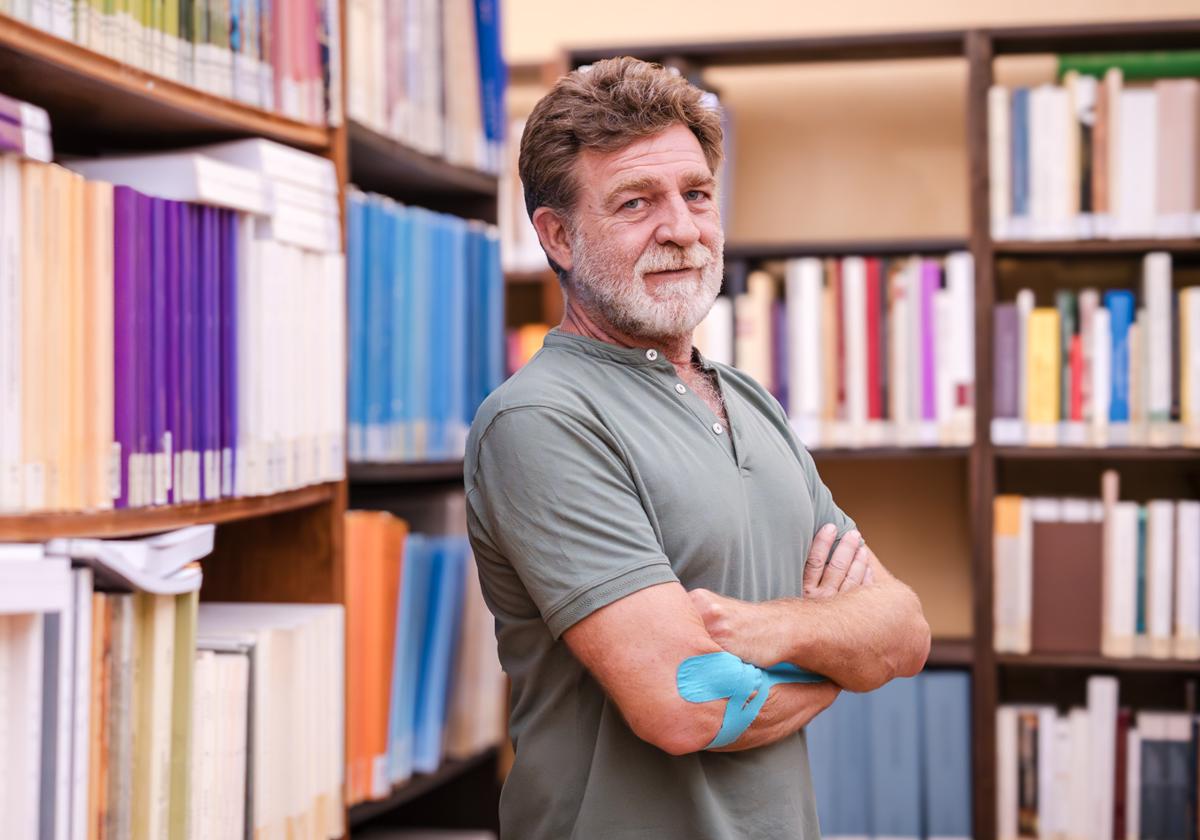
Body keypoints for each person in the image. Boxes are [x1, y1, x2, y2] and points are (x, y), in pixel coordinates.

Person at [464, 56, 931, 839]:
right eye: (636, 202)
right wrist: (841, 667)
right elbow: (689, 704)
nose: (680, 229)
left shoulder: (752, 402)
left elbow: (906, 632)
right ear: (559, 237)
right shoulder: (542, 421)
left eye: (697, 195)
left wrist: (773, 633)